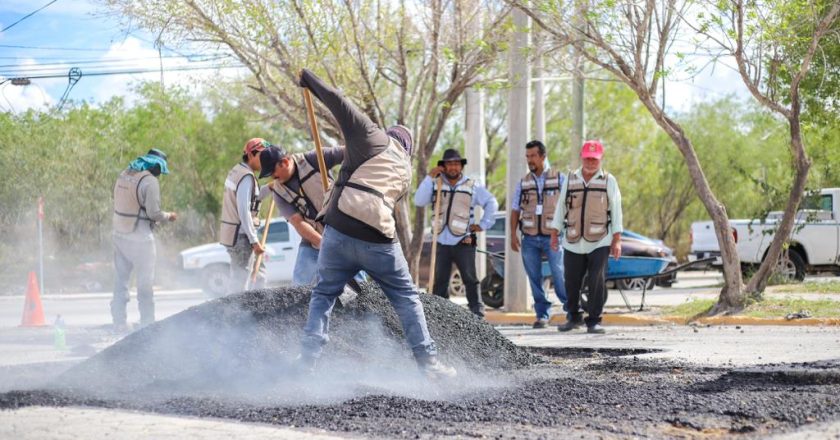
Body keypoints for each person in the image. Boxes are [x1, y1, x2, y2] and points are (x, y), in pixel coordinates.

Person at [296, 68, 456, 379]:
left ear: (388, 134)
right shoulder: (405, 171)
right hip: (378, 239)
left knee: (324, 293)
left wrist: (310, 79)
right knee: (407, 297)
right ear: (407, 150)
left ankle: (307, 360)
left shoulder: (372, 137)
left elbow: (339, 102)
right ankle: (429, 364)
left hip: (338, 230)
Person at [414, 148, 498, 318]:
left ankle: (477, 311)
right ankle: (439, 313)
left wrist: (483, 224)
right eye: (449, 164)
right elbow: (419, 200)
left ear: (461, 166)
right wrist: (429, 177)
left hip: (464, 240)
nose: (453, 167)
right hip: (442, 240)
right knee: (440, 281)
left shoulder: (472, 185)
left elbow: (491, 202)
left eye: (456, 164)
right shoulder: (436, 183)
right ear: (443, 166)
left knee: (469, 278)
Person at [550, 140, 623, 334]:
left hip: (600, 239)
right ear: (582, 157)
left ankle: (594, 320)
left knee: (596, 281)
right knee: (571, 281)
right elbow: (560, 208)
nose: (591, 162)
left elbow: (616, 210)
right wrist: (554, 232)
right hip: (573, 240)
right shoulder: (571, 179)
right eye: (588, 158)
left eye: (595, 159)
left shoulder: (609, 180)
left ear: (600, 159)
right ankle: (573, 317)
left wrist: (617, 239)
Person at [259, 144, 344, 285]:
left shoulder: (313, 159)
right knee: (300, 282)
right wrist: (323, 244)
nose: (273, 177)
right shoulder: (279, 193)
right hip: (313, 239)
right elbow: (298, 223)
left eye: (272, 172)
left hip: (342, 230)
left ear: (285, 162)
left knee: (358, 282)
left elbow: (349, 151)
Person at [111, 148, 176, 330]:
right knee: (145, 283)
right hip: (141, 240)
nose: (160, 174)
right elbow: (154, 214)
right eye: (160, 170)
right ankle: (147, 323)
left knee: (121, 281)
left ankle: (119, 322)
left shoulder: (124, 174)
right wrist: (169, 216)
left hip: (119, 234)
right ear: (155, 166)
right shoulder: (150, 181)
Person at [509, 140, 570, 329]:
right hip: (529, 237)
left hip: (553, 236)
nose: (530, 160)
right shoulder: (524, 182)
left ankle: (571, 311)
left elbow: (570, 205)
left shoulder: (559, 179)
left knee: (559, 273)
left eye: (533, 156)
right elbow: (514, 210)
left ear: (543, 156)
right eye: (527, 157)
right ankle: (542, 314)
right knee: (534, 277)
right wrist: (513, 234)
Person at [219, 138, 268, 294]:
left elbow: (251, 198)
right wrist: (254, 241)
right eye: (263, 156)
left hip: (232, 234)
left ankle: (251, 314)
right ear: (252, 155)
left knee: (254, 277)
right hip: (241, 236)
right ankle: (234, 316)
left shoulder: (236, 170)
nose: (265, 161)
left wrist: (270, 187)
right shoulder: (246, 176)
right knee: (240, 285)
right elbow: (244, 210)